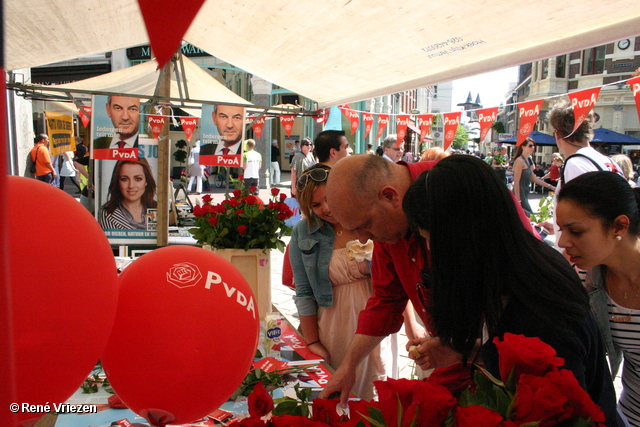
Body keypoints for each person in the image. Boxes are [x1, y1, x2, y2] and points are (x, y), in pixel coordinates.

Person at [403, 156, 623, 426]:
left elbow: (563, 410)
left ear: (460, 237)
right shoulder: (516, 272)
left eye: (429, 240)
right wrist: (469, 353)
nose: (429, 252)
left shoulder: (539, 308)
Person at [319, 154, 545, 406]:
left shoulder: (455, 188)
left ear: (390, 196)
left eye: (366, 225)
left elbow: (523, 292)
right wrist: (348, 366)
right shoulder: (389, 229)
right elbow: (386, 299)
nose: (363, 239)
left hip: (516, 371)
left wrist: (472, 349)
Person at [290, 164, 393, 400]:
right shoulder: (303, 232)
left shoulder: (368, 220)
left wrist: (410, 324)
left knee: (376, 390)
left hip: (378, 317)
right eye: (316, 205)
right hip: (333, 325)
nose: (326, 208)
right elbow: (304, 291)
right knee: (338, 395)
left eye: (328, 198)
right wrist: (313, 340)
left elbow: (395, 280)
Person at [556, 171, 640, 425]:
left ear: (619, 226)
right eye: (561, 230)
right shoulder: (585, 279)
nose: (563, 241)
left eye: (576, 231)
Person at [539, 98, 623, 239]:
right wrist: (556, 226)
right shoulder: (606, 160)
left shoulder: (575, 164)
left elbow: (586, 225)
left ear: (557, 133)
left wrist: (563, 259)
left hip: (586, 257)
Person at [99, 158, 157, 229]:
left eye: (138, 179)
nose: (131, 186)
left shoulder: (157, 209)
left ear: (146, 181)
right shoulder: (106, 215)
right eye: (124, 179)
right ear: (118, 182)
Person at [511, 137, 555, 215]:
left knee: (523, 218)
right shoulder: (519, 161)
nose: (533, 148)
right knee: (528, 216)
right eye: (530, 146)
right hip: (520, 193)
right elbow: (516, 181)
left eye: (533, 146)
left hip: (525, 192)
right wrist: (518, 200)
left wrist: (550, 186)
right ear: (523, 147)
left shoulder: (527, 160)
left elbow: (534, 178)